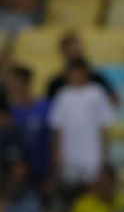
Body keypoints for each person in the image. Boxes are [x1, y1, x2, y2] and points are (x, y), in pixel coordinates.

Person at [49, 58, 115, 196]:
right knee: (71, 188)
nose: (76, 76)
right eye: (73, 73)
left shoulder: (97, 93)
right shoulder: (63, 95)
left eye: (79, 73)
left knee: (92, 186)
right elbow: (58, 127)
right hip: (70, 151)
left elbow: (103, 126)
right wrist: (58, 152)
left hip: (92, 151)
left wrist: (104, 152)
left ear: (86, 73)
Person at [46, 32, 117, 103]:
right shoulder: (56, 83)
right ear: (63, 53)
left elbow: (114, 100)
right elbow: (50, 106)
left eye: (77, 51)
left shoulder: (97, 79)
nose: (74, 56)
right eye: (70, 52)